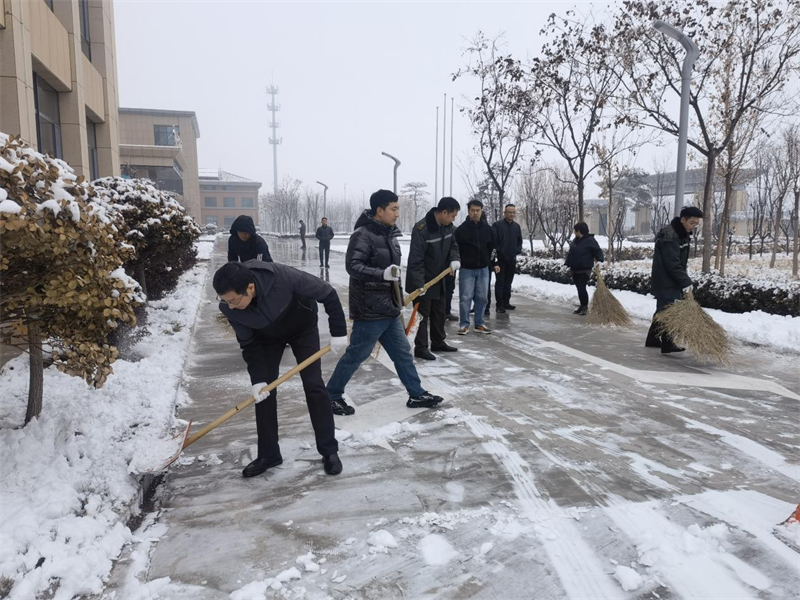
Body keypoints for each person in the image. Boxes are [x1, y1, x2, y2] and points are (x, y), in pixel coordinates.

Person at [212, 260, 348, 477]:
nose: (230, 306)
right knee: (264, 393)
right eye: (225, 301)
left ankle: (329, 451)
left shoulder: (283, 277)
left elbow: (328, 293)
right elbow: (248, 343)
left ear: (250, 288)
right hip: (266, 338)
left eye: (234, 300)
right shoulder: (230, 308)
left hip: (302, 328)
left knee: (314, 385)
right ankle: (269, 454)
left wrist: (338, 332)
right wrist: (258, 379)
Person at [326, 190, 444, 415]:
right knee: (356, 355)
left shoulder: (389, 235)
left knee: (402, 353)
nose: (398, 213)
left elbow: (393, 273)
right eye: (394, 209)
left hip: (388, 308)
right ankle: (331, 395)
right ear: (379, 211)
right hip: (370, 309)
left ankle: (416, 394)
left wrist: (397, 298)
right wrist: (381, 274)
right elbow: (353, 266)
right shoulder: (362, 235)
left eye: (398, 208)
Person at [406, 197, 461, 360]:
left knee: (439, 312)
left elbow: (454, 246)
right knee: (422, 315)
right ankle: (421, 347)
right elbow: (416, 259)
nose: (453, 219)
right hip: (423, 280)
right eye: (452, 215)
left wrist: (454, 259)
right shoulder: (422, 229)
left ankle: (438, 342)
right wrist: (419, 285)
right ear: (444, 212)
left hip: (440, 278)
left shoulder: (449, 228)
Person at [646, 206, 704, 354]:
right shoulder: (670, 236)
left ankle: (652, 339)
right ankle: (667, 343)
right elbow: (672, 263)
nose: (694, 226)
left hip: (671, 279)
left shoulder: (681, 232)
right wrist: (685, 282)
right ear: (682, 219)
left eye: (696, 224)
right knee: (668, 311)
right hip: (665, 280)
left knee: (663, 309)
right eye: (692, 223)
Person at [455, 200, 499, 335]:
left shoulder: (488, 229)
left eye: (478, 210)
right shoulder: (461, 230)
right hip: (466, 269)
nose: (475, 213)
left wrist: (494, 263)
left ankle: (479, 323)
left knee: (482, 297)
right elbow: (455, 249)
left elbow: (493, 248)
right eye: (472, 210)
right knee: (465, 297)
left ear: (482, 211)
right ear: (468, 211)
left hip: (483, 269)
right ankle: (464, 324)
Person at [564, 222, 604, 315]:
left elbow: (597, 250)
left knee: (582, 288)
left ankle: (585, 306)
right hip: (575, 268)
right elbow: (571, 253)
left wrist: (600, 260)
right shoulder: (576, 240)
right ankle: (582, 305)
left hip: (584, 268)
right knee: (579, 288)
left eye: (575, 230)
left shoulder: (590, 240)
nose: (574, 232)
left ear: (579, 231)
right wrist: (567, 263)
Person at [491, 204, 523, 314]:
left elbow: (519, 241)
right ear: (504, 213)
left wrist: (517, 250)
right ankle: (499, 305)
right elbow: (494, 242)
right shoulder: (497, 225)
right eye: (509, 212)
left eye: (514, 212)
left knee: (508, 282)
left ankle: (506, 302)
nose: (512, 214)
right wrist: (497, 255)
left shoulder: (516, 227)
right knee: (500, 282)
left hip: (512, 258)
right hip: (500, 260)